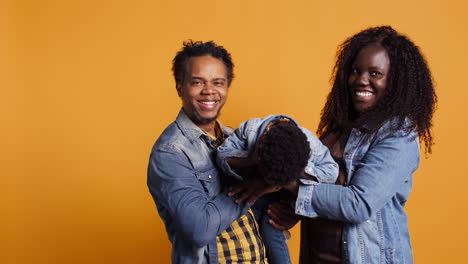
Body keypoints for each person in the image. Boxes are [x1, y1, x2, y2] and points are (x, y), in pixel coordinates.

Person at [231, 26, 437, 264]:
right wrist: (292, 209)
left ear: (395, 81)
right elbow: (320, 183)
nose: (361, 80)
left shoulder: (398, 135)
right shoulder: (339, 130)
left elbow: (358, 204)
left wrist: (285, 182)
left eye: (375, 73)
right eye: (356, 71)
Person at [147, 40, 277, 263]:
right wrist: (253, 187)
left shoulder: (233, 138)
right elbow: (200, 228)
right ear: (180, 87)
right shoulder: (170, 152)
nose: (209, 91)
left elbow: (265, 202)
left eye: (218, 82)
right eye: (197, 82)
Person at [216, 115, 338, 264]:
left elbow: (331, 172)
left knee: (271, 232)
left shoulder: (311, 145)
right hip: (247, 189)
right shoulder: (250, 131)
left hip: (281, 199)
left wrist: (297, 170)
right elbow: (222, 155)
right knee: (227, 217)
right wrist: (250, 159)